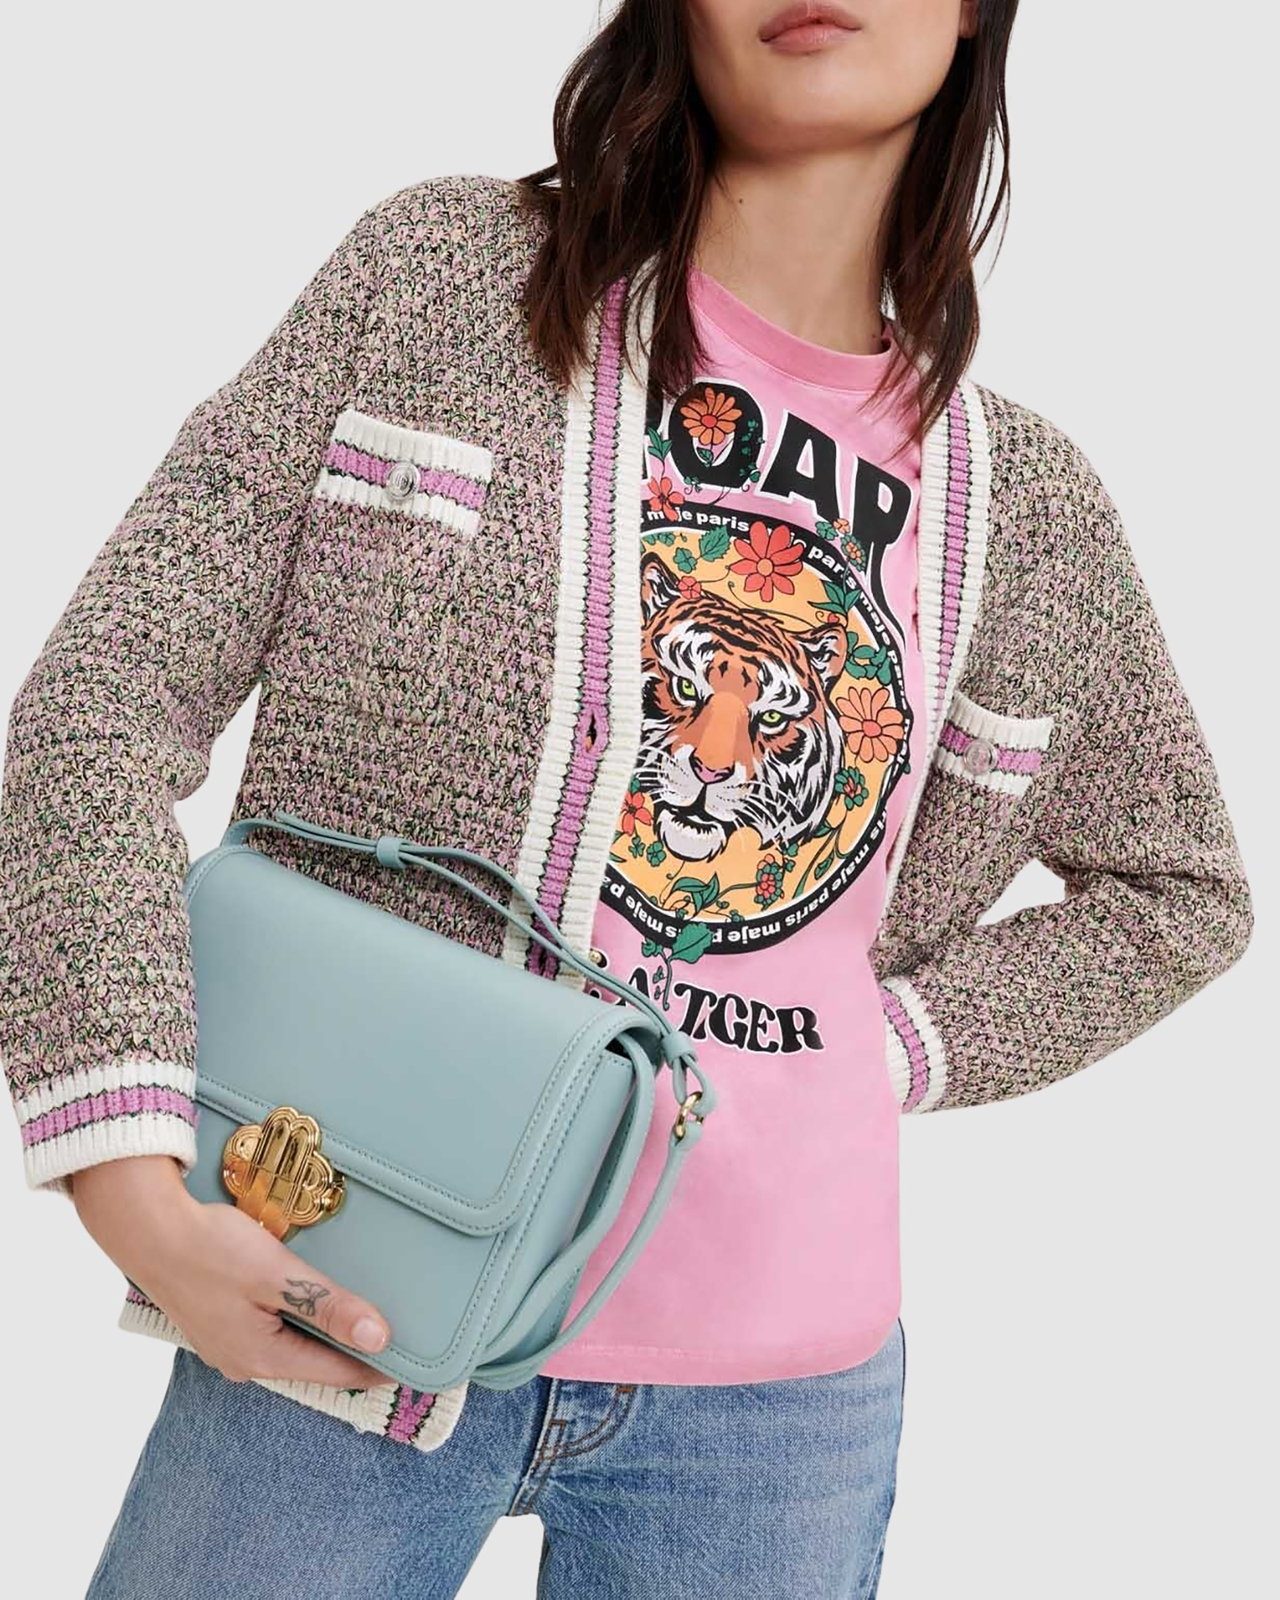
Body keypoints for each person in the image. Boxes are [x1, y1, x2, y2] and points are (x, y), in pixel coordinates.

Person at [0, 3, 1253, 1597]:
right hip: (351, 1285)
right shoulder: (441, 281)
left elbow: (1180, 889)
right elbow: (101, 702)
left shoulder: (1035, 509)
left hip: (780, 1405)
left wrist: (881, 1048)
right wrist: (128, 1182)